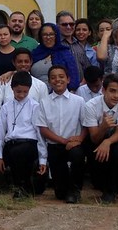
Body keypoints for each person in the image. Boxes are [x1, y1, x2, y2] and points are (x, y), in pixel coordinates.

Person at [36, 64, 87, 204]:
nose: (57, 80)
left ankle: (75, 189)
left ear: (68, 79)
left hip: (74, 145)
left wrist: (79, 140)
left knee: (78, 156)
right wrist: (63, 141)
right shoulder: (44, 102)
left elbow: (85, 125)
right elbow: (43, 129)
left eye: (61, 77)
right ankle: (64, 188)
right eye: (53, 78)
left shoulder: (79, 101)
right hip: (55, 146)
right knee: (60, 193)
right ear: (49, 81)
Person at [0, 71, 48, 198]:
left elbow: (39, 134)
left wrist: (43, 158)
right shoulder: (6, 107)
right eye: (18, 91)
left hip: (29, 143)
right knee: (12, 152)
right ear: (12, 89)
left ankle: (22, 186)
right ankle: (16, 184)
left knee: (19, 153)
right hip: (11, 143)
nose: (22, 95)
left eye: (25, 92)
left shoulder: (35, 106)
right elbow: (0, 133)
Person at [81, 73, 118, 204]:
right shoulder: (91, 105)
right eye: (112, 91)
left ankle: (111, 190)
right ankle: (101, 182)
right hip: (96, 139)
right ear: (103, 90)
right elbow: (93, 138)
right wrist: (103, 127)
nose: (116, 96)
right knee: (97, 178)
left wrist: (107, 142)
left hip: (114, 140)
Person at [30, 23, 79, 90]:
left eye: (51, 34)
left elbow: (74, 77)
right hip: (35, 92)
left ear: (56, 36)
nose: (48, 37)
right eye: (45, 35)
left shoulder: (65, 53)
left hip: (59, 94)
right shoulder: (35, 53)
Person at [57, 11, 91, 82]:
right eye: (64, 24)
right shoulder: (55, 44)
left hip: (80, 89)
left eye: (71, 24)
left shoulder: (79, 45)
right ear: (57, 26)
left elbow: (87, 68)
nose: (68, 27)